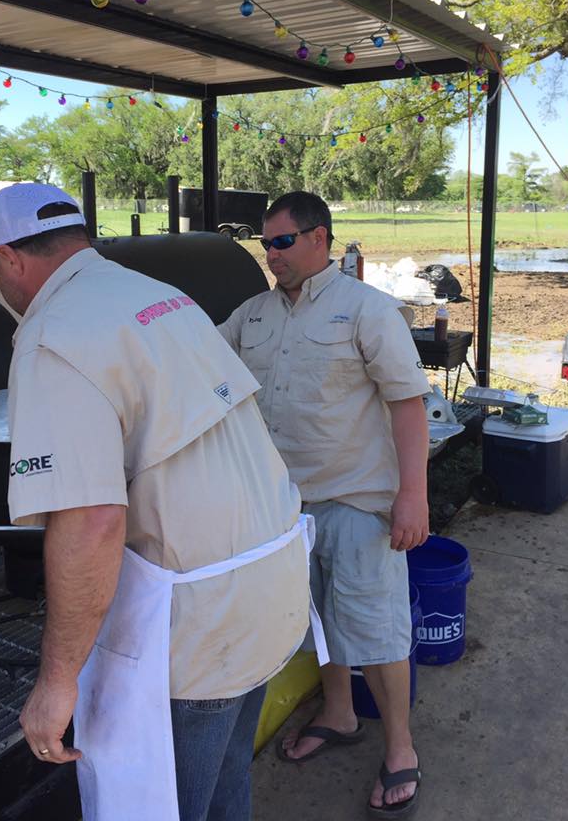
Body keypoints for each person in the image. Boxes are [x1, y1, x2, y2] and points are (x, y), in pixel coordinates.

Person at [0, 183, 320, 821]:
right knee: (225, 796)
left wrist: (56, 683)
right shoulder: (159, 296)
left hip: (199, 630)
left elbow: (92, 521)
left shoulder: (53, 336)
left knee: (168, 807)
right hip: (271, 591)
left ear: (8, 258)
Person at [218, 191, 430, 819]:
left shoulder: (367, 310)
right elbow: (197, 363)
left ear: (319, 239)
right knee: (316, 622)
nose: (270, 253)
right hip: (283, 509)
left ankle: (400, 748)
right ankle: (338, 715)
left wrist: (412, 498)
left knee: (377, 630)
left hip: (356, 502)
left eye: (281, 241)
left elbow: (408, 405)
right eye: (265, 242)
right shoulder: (251, 315)